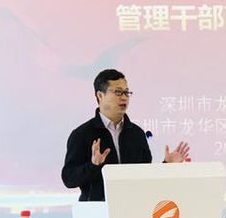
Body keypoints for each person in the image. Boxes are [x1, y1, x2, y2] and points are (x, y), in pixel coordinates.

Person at [61, 69, 190, 201]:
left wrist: (166, 165)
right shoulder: (82, 134)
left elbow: (145, 177)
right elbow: (69, 179)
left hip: (133, 206)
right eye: (118, 92)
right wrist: (93, 165)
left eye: (127, 92)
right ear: (100, 95)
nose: (124, 97)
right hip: (98, 209)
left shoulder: (137, 134)